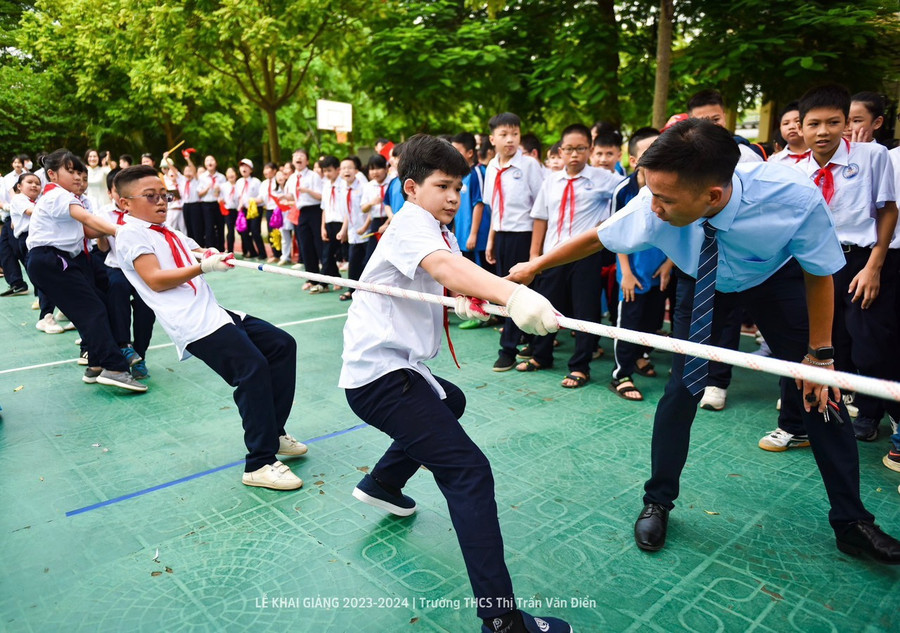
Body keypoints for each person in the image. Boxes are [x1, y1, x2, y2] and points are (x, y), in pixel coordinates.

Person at [508, 118, 900, 564]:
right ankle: (657, 502)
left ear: (712, 196)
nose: (652, 206)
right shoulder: (651, 202)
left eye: (665, 199)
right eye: (649, 192)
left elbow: (819, 271)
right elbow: (597, 237)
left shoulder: (792, 197)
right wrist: (533, 266)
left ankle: (852, 522)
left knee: (819, 393)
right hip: (705, 281)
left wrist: (820, 356)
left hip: (775, 278)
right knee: (682, 389)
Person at [340, 134, 571, 633]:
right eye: (442, 185)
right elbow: (444, 266)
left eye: (458, 188)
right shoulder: (408, 226)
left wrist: (465, 297)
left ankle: (382, 483)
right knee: (469, 473)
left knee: (453, 399)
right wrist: (512, 297)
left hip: (400, 369)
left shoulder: (434, 229)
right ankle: (502, 622)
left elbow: (447, 274)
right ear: (411, 188)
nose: (452, 197)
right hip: (381, 377)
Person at [113, 165, 308, 489]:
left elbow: (192, 250)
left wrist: (209, 254)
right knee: (252, 368)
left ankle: (273, 432)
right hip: (192, 322)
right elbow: (155, 279)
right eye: (151, 197)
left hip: (213, 311)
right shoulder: (132, 233)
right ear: (125, 203)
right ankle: (259, 463)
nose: (161, 202)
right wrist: (203, 266)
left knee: (281, 345)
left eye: (164, 195)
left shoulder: (167, 228)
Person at [787, 84, 900, 450]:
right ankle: (857, 413)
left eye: (833, 122)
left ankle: (890, 416)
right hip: (817, 263)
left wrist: (874, 266)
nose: (823, 132)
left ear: (845, 124)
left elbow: (887, 209)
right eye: (814, 124)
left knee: (872, 342)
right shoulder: (793, 171)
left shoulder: (870, 156)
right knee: (831, 343)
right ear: (800, 128)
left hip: (862, 258)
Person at [25, 150, 146, 392]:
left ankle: (96, 365)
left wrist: (127, 224)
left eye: (80, 173)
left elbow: (88, 232)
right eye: (70, 171)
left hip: (53, 260)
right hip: (51, 259)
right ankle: (114, 367)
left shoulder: (66, 197)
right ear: (52, 175)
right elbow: (87, 220)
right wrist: (118, 230)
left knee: (97, 304)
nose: (78, 177)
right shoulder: (57, 194)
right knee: (93, 309)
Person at [516, 123, 623, 389]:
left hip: (585, 256)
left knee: (585, 311)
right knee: (546, 306)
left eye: (580, 149)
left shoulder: (605, 180)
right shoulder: (550, 180)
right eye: (569, 149)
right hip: (552, 255)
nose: (574, 154)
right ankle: (542, 356)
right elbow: (540, 217)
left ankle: (580, 366)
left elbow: (627, 196)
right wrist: (534, 256)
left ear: (589, 149)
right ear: (561, 151)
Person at [483, 112, 545, 371]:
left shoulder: (529, 165)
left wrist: (536, 251)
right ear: (492, 138)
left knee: (515, 292)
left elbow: (542, 208)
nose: (510, 140)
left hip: (525, 236)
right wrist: (491, 240)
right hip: (502, 236)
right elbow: (493, 209)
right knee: (505, 291)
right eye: (504, 135)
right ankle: (527, 338)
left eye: (515, 134)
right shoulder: (491, 167)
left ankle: (507, 349)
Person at [610, 127, 668, 401]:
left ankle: (642, 355)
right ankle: (621, 373)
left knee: (651, 319)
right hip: (632, 273)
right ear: (633, 160)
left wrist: (670, 263)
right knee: (629, 323)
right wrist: (627, 273)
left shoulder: (671, 184)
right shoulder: (624, 191)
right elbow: (614, 232)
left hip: (661, 270)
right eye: (649, 151)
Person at [96, 175, 155, 380]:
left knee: (146, 309)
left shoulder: (140, 210)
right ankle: (124, 346)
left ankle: (141, 355)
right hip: (117, 267)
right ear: (111, 193)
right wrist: (101, 233)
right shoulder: (103, 213)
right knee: (117, 293)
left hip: (142, 269)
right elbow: (103, 248)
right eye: (116, 190)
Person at [282, 149, 323, 272]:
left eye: (301, 156)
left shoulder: (313, 176)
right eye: (296, 156)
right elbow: (292, 196)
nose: (298, 158)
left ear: (307, 161)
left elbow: (321, 196)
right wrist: (284, 197)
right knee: (305, 245)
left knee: (318, 244)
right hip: (301, 212)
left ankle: (326, 277)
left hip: (314, 211)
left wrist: (308, 191)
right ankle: (311, 278)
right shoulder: (292, 178)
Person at [335, 157, 366, 301]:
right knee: (353, 262)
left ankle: (368, 291)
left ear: (356, 171)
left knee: (367, 263)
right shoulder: (342, 188)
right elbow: (348, 212)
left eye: (349, 167)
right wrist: (343, 230)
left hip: (367, 231)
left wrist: (365, 227)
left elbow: (369, 211)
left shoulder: (362, 186)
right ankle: (352, 290)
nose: (346, 170)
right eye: (343, 168)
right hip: (354, 231)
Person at [360, 154, 392, 262]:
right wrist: (371, 203)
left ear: (386, 168)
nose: (375, 172)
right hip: (376, 223)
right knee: (371, 258)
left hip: (391, 222)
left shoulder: (393, 183)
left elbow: (398, 208)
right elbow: (363, 209)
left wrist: (387, 224)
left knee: (390, 257)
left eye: (378, 168)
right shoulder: (368, 186)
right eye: (372, 169)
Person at [318, 155, 343, 293]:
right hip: (329, 223)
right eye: (324, 171)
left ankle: (354, 283)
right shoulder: (326, 185)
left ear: (337, 170)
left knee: (344, 254)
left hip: (342, 223)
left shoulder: (344, 184)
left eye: (329, 170)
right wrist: (323, 227)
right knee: (327, 254)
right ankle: (326, 282)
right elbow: (324, 208)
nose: (326, 174)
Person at [197, 155, 225, 251]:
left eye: (212, 160)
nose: (210, 162)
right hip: (206, 205)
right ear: (205, 164)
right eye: (207, 160)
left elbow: (225, 192)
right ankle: (210, 250)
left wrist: (218, 191)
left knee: (220, 226)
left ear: (216, 163)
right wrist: (207, 188)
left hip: (218, 204)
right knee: (209, 227)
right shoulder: (202, 177)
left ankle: (221, 249)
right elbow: (199, 194)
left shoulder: (221, 177)